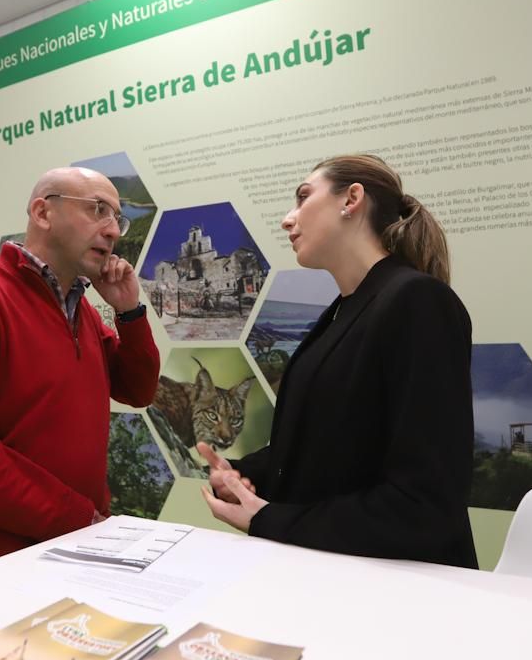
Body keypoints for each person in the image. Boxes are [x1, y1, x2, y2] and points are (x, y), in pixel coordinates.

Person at [198, 154, 477, 568]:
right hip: (337, 577)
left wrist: (270, 519)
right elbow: (327, 448)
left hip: (403, 592)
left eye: (303, 198)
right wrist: (242, 474)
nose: (287, 220)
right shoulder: (343, 311)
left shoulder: (417, 302)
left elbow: (424, 501)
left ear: (352, 200)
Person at [0, 167, 160, 576]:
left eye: (117, 217)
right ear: (43, 213)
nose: (113, 230)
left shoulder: (79, 308)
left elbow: (137, 390)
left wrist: (129, 312)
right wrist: (79, 519)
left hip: (74, 549)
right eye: (98, 210)